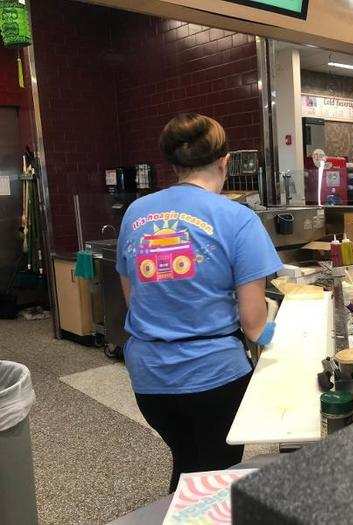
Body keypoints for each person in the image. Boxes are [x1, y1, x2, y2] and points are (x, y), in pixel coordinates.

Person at [116, 113, 282, 492]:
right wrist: (282, 332)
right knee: (215, 480)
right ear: (224, 161)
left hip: (150, 378)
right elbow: (254, 325)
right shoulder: (238, 219)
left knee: (187, 463)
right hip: (213, 377)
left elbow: (134, 299)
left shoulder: (136, 214)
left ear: (173, 163)